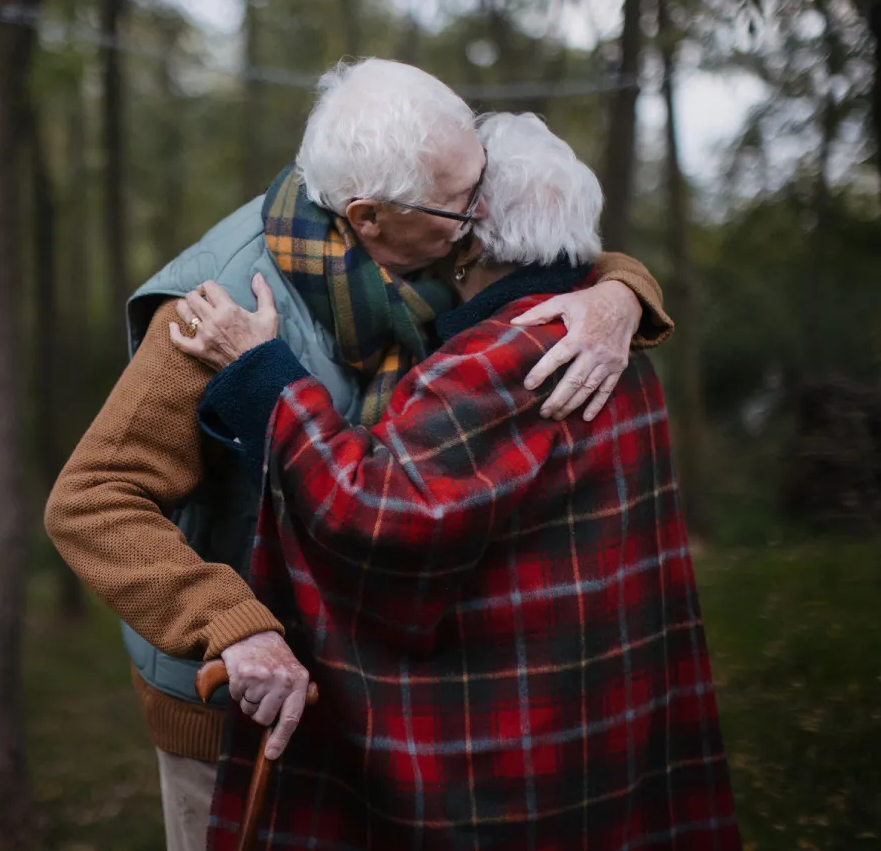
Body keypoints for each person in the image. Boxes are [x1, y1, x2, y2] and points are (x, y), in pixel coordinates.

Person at [45, 59, 672, 851]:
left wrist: (619, 293)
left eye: (479, 186)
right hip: (238, 705)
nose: (480, 213)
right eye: (461, 203)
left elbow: (546, 246)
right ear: (367, 214)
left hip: (366, 690)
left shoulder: (432, 246)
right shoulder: (216, 309)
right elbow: (92, 499)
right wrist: (230, 627)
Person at [173, 111, 739, 850]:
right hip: (605, 722)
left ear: (468, 239)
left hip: (515, 748)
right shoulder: (617, 347)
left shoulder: (497, 364)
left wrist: (261, 372)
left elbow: (366, 513)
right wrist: (622, 289)